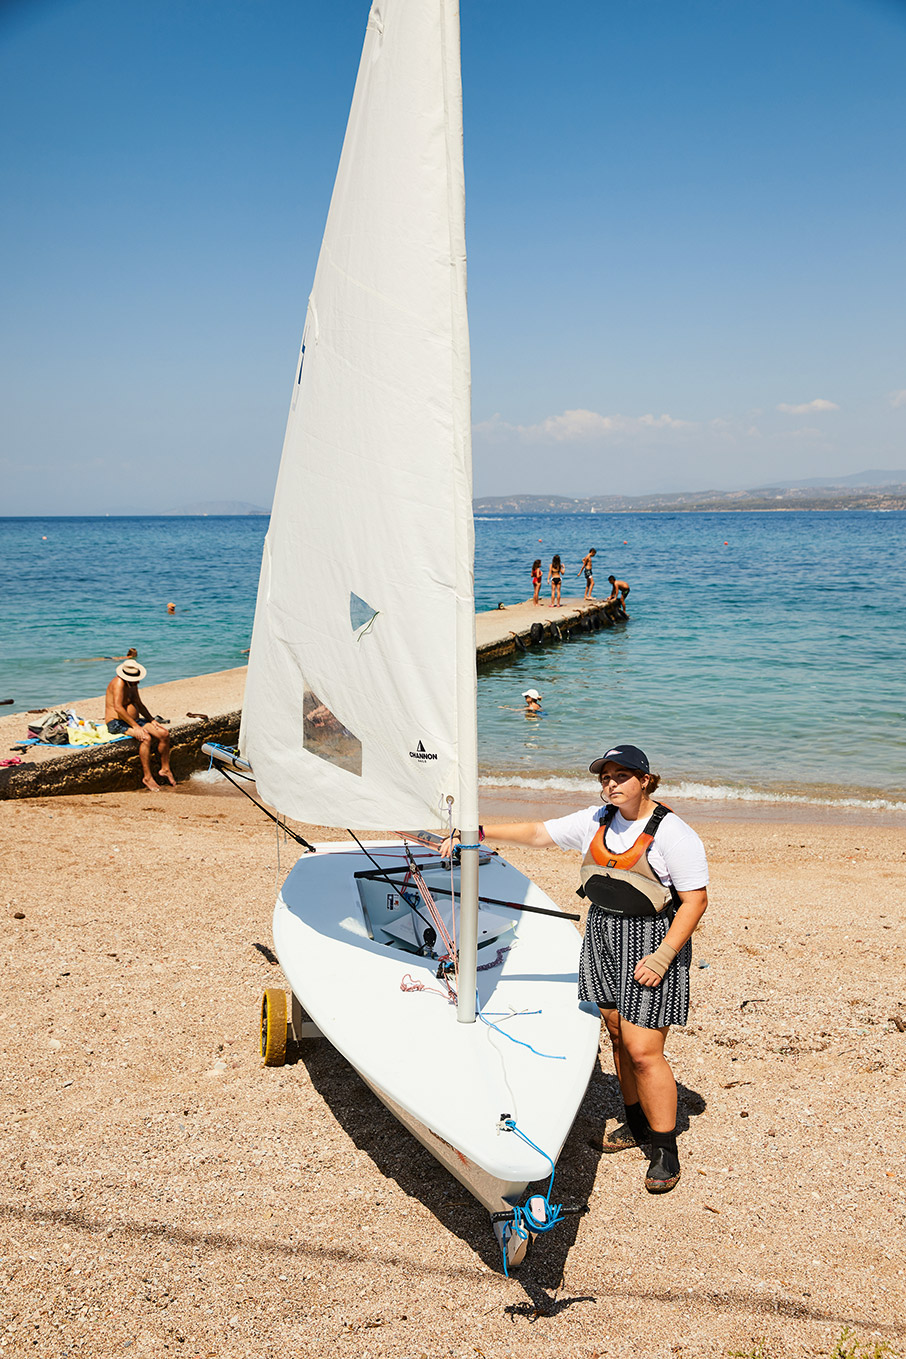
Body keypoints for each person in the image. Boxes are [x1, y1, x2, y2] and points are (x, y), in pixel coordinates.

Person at [440, 743, 708, 1195]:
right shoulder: (595, 820)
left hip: (651, 943)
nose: (611, 784)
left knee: (643, 1050)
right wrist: (479, 832)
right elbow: (539, 833)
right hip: (603, 936)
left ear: (645, 780)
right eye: (605, 776)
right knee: (618, 1033)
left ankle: (664, 1148)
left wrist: (662, 957)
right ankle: (637, 1124)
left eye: (621, 776)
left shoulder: (674, 833)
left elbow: (695, 901)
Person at [104, 661, 175, 791]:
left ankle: (165, 769)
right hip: (116, 723)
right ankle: (147, 777)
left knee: (164, 734)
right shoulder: (118, 683)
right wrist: (135, 727)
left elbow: (139, 704)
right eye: (134, 679)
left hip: (134, 721)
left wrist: (151, 719)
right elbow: (118, 708)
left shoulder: (132, 684)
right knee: (145, 738)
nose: (137, 682)